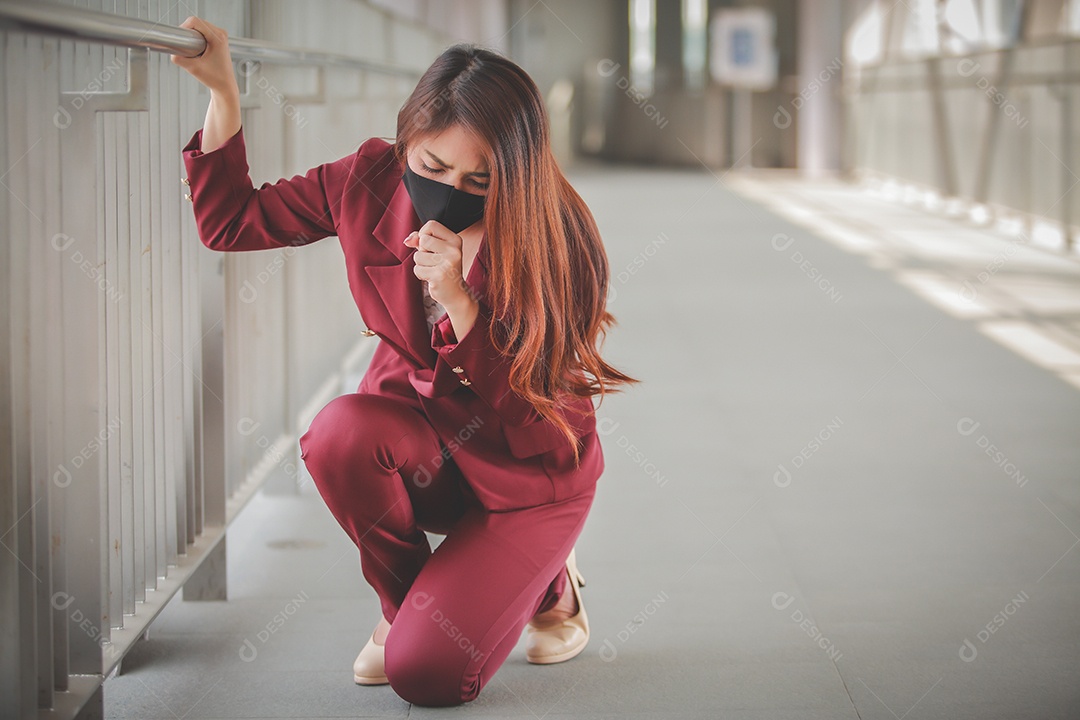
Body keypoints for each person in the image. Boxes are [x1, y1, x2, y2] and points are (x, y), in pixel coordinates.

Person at [173, 15, 638, 708]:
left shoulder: (556, 235)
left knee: (427, 678)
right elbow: (232, 221)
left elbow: (536, 414)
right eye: (432, 166)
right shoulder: (369, 178)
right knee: (337, 432)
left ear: (516, 169)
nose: (450, 189)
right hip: (421, 441)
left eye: (479, 179)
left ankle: (553, 587)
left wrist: (459, 301)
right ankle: (406, 607)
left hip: (527, 468)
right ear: (405, 140)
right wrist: (223, 97)